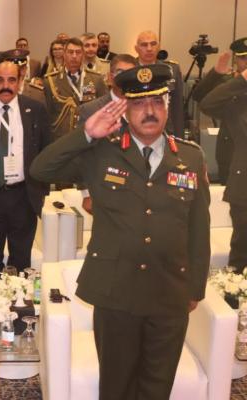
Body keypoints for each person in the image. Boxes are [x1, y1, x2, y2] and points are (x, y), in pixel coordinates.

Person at [30, 64, 210, 400]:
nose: (149, 111)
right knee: (116, 387)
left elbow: (199, 229)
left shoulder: (190, 156)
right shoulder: (102, 151)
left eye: (157, 102)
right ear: (124, 110)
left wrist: (195, 287)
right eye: (139, 103)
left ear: (167, 106)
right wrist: (86, 134)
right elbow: (41, 169)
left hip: (169, 293)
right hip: (116, 293)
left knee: (157, 387)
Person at [0, 61, 51, 279]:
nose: (6, 86)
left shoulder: (36, 110)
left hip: (24, 196)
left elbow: (45, 152)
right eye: (0, 80)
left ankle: (18, 299)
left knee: (21, 259)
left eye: (11, 80)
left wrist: (41, 192)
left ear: (20, 81)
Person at [198, 42, 247, 270]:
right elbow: (205, 102)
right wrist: (241, 80)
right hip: (243, 182)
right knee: (242, 249)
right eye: (244, 58)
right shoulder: (236, 96)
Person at [77, 54, 139, 213]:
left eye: (130, 73)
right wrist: (86, 193)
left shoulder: (144, 107)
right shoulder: (90, 110)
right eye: (120, 73)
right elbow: (81, 153)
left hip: (139, 189)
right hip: (104, 188)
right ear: (110, 77)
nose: (125, 78)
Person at [192, 40, 247, 184]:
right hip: (230, 149)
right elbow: (198, 97)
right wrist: (216, 73)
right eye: (243, 58)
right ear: (235, 59)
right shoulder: (226, 80)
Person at [44, 37, 108, 140]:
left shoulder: (96, 79)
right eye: (70, 52)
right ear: (64, 54)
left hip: (89, 137)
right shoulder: (51, 81)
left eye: (78, 52)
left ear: (83, 55)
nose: (74, 56)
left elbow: (104, 110)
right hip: (62, 139)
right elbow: (48, 114)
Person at [135, 31, 185, 137]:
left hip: (166, 131)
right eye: (144, 45)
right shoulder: (129, 70)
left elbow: (177, 108)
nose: (149, 48)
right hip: (135, 130)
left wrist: (179, 137)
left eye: (153, 44)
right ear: (136, 48)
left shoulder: (172, 70)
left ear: (158, 47)